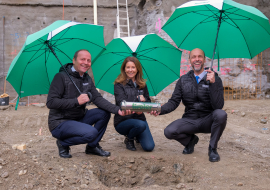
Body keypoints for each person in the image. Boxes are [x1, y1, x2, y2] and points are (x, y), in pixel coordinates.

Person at [46, 49, 126, 158]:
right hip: (60, 122)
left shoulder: (87, 79)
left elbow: (98, 99)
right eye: (82, 59)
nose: (86, 62)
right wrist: (76, 101)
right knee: (91, 133)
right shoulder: (60, 77)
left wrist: (118, 110)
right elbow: (51, 102)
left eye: (89, 60)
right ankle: (63, 143)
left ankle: (92, 147)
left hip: (79, 118)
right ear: (74, 60)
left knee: (104, 113)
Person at [151, 48, 227, 162]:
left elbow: (218, 106)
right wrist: (160, 110)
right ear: (189, 60)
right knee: (169, 131)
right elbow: (174, 102)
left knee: (221, 114)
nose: (197, 59)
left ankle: (212, 149)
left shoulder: (215, 79)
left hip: (208, 120)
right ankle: (190, 141)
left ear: (204, 59)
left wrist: (213, 84)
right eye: (194, 57)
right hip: (190, 120)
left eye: (200, 56)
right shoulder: (183, 80)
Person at [114, 56, 155, 151]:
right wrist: (137, 101)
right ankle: (129, 138)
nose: (130, 70)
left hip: (140, 118)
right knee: (140, 125)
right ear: (124, 69)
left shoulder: (142, 84)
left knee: (149, 147)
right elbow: (122, 103)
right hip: (123, 120)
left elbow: (148, 102)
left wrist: (145, 101)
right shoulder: (119, 84)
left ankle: (136, 134)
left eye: (133, 67)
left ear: (137, 69)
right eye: (128, 67)